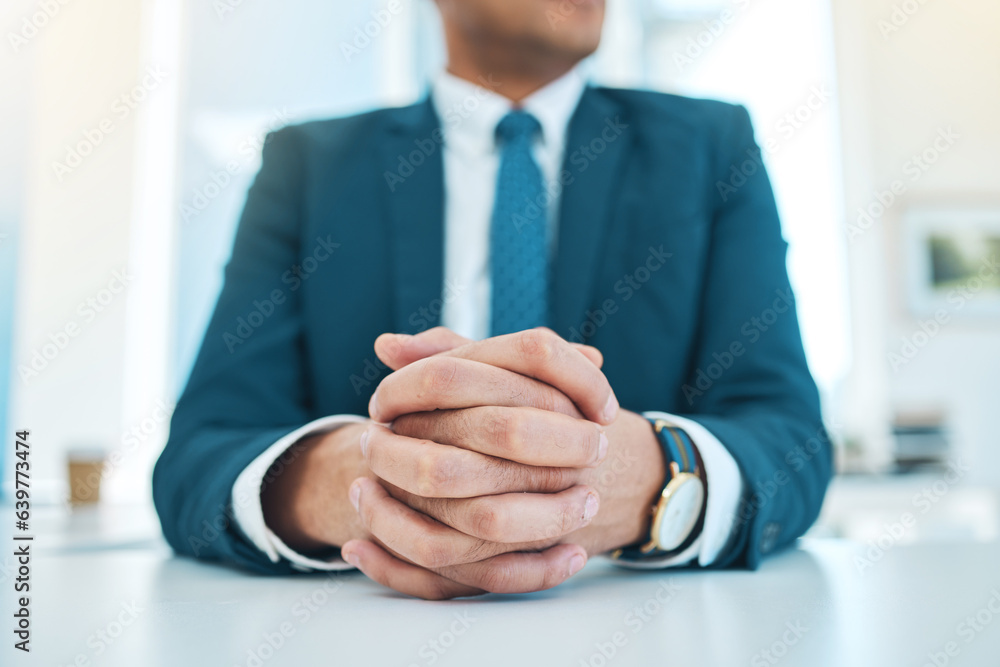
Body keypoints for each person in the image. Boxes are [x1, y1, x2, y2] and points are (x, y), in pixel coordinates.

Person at [153, 0, 832, 600]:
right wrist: (354, 483)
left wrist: (650, 477)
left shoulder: (712, 149)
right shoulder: (309, 166)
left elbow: (791, 437)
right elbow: (198, 455)